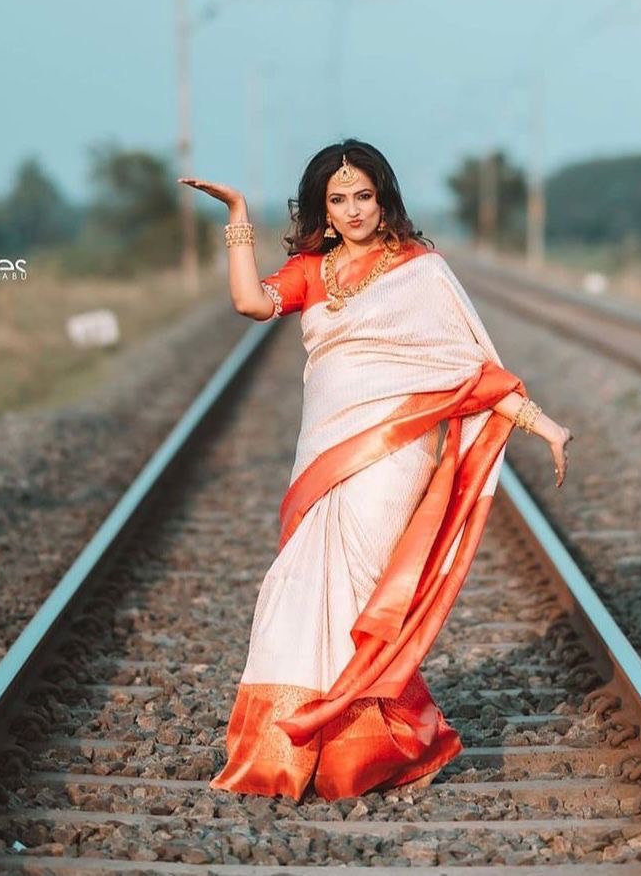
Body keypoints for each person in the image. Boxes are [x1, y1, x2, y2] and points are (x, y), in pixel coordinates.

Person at [178, 139, 573, 801]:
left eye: (363, 195)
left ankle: (371, 742)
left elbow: (466, 365)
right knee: (293, 585)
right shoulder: (313, 269)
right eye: (338, 199)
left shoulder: (420, 269)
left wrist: (541, 423)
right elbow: (249, 304)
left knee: (364, 591)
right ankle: (299, 743)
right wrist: (237, 215)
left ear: (382, 199)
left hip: (397, 447)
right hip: (326, 454)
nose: (353, 209)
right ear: (322, 211)